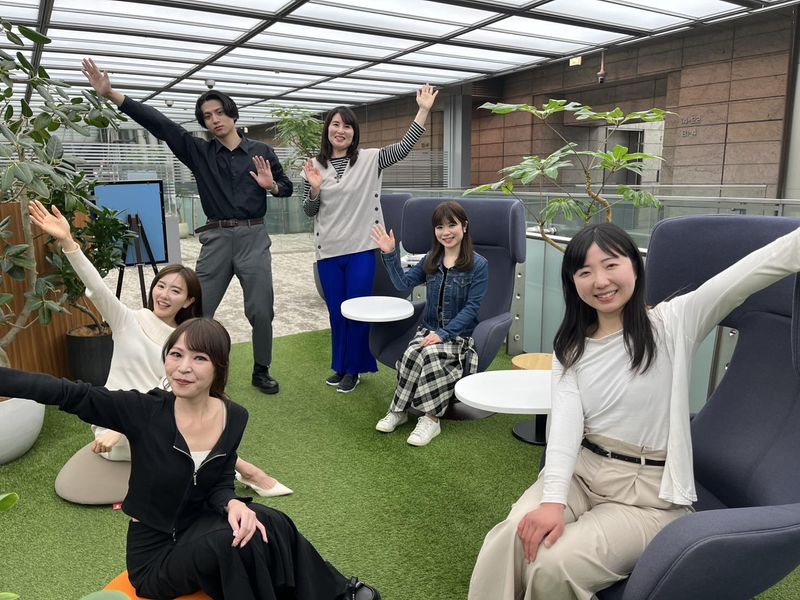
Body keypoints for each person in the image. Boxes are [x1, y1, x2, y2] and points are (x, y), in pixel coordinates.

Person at [468, 222, 800, 599]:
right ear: (573, 282)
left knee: (553, 565)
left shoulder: (674, 321)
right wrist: (553, 502)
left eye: (611, 265)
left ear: (635, 267)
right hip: (582, 471)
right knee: (510, 535)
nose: (600, 280)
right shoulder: (570, 347)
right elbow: (564, 428)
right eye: (585, 271)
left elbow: (752, 271)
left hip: (648, 497)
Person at [0, 318, 380, 600]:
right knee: (228, 541)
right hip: (155, 553)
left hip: (199, 525)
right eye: (176, 354)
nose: (183, 367)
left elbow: (219, 483)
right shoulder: (144, 411)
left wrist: (232, 502)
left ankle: (335, 591)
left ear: (218, 366)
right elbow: (68, 393)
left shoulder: (234, 416)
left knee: (269, 520)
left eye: (199, 358)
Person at [29, 200, 292, 501]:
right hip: (115, 423)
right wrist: (68, 241)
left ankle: (238, 469)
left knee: (187, 420)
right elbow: (97, 288)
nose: (164, 295)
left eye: (175, 291)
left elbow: (170, 392)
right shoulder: (128, 320)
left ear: (189, 301)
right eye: (161, 286)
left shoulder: (186, 341)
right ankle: (245, 470)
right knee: (177, 437)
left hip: (157, 421)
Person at [82, 57, 291, 395]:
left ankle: (261, 368)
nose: (214, 119)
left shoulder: (261, 151)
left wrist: (273, 186)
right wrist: (112, 94)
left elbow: (288, 188)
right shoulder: (199, 152)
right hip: (216, 237)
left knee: (261, 308)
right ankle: (187, 368)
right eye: (207, 116)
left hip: (254, 236)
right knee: (196, 310)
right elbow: (161, 124)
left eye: (219, 112)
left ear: (232, 114)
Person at [301, 85, 438, 393]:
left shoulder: (370, 159)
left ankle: (355, 369)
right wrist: (315, 188)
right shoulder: (313, 167)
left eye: (347, 126)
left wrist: (423, 110)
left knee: (357, 312)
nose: (341, 130)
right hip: (328, 252)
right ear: (327, 130)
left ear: (354, 133)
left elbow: (403, 147)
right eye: (335, 124)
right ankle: (340, 365)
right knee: (337, 313)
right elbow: (309, 211)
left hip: (361, 249)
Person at [369, 201, 488, 446]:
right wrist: (390, 254)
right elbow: (402, 284)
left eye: (452, 225)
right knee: (412, 353)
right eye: (439, 227)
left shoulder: (479, 265)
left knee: (431, 355)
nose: (446, 232)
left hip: (457, 336)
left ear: (464, 226)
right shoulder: (430, 260)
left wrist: (444, 334)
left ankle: (431, 420)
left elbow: (472, 308)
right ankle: (399, 411)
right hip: (428, 330)